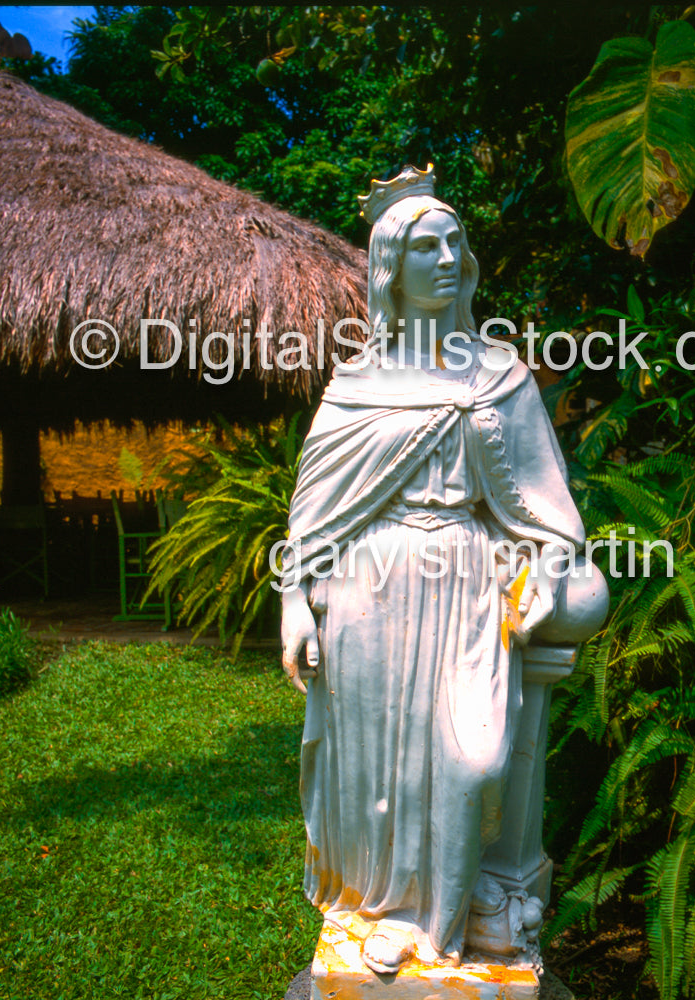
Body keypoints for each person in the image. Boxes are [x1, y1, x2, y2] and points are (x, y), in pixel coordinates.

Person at [280, 165, 590, 973]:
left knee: (471, 758)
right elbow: (313, 509)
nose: (447, 258)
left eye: (455, 243)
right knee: (379, 766)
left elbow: (545, 504)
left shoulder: (498, 375)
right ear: (391, 266)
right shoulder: (357, 382)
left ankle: (443, 915)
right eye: (426, 247)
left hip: (463, 586)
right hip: (365, 590)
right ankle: (391, 911)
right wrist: (294, 603)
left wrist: (546, 565)